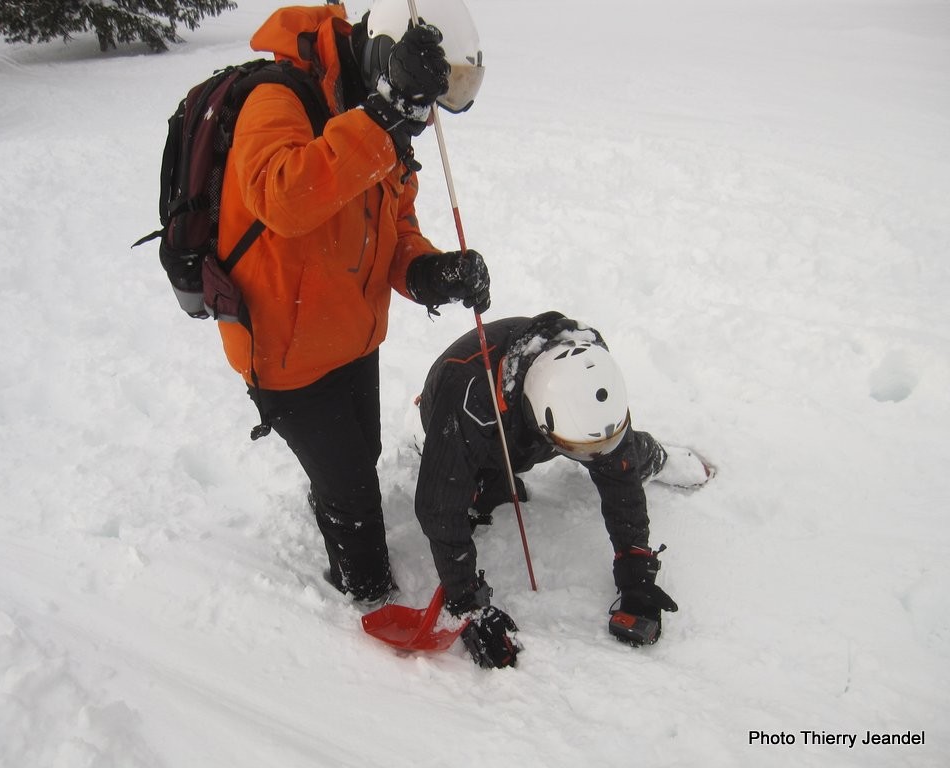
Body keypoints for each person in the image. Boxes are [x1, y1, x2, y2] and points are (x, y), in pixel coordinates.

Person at [216, 1, 490, 604]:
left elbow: (398, 229)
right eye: (416, 102)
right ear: (383, 57)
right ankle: (364, 594)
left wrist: (432, 273)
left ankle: (338, 511)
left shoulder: (386, 122)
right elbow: (283, 198)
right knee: (351, 488)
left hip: (353, 339)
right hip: (286, 354)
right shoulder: (278, 96)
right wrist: (383, 116)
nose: (420, 117)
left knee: (357, 459)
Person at [412, 311, 714, 668]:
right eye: (574, 449)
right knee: (468, 492)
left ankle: (660, 457)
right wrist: (467, 604)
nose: (590, 458)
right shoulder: (470, 398)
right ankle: (483, 474)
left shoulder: (590, 376)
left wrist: (635, 565)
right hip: (460, 420)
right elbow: (438, 508)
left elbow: (617, 472)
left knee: (620, 452)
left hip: (535, 421)